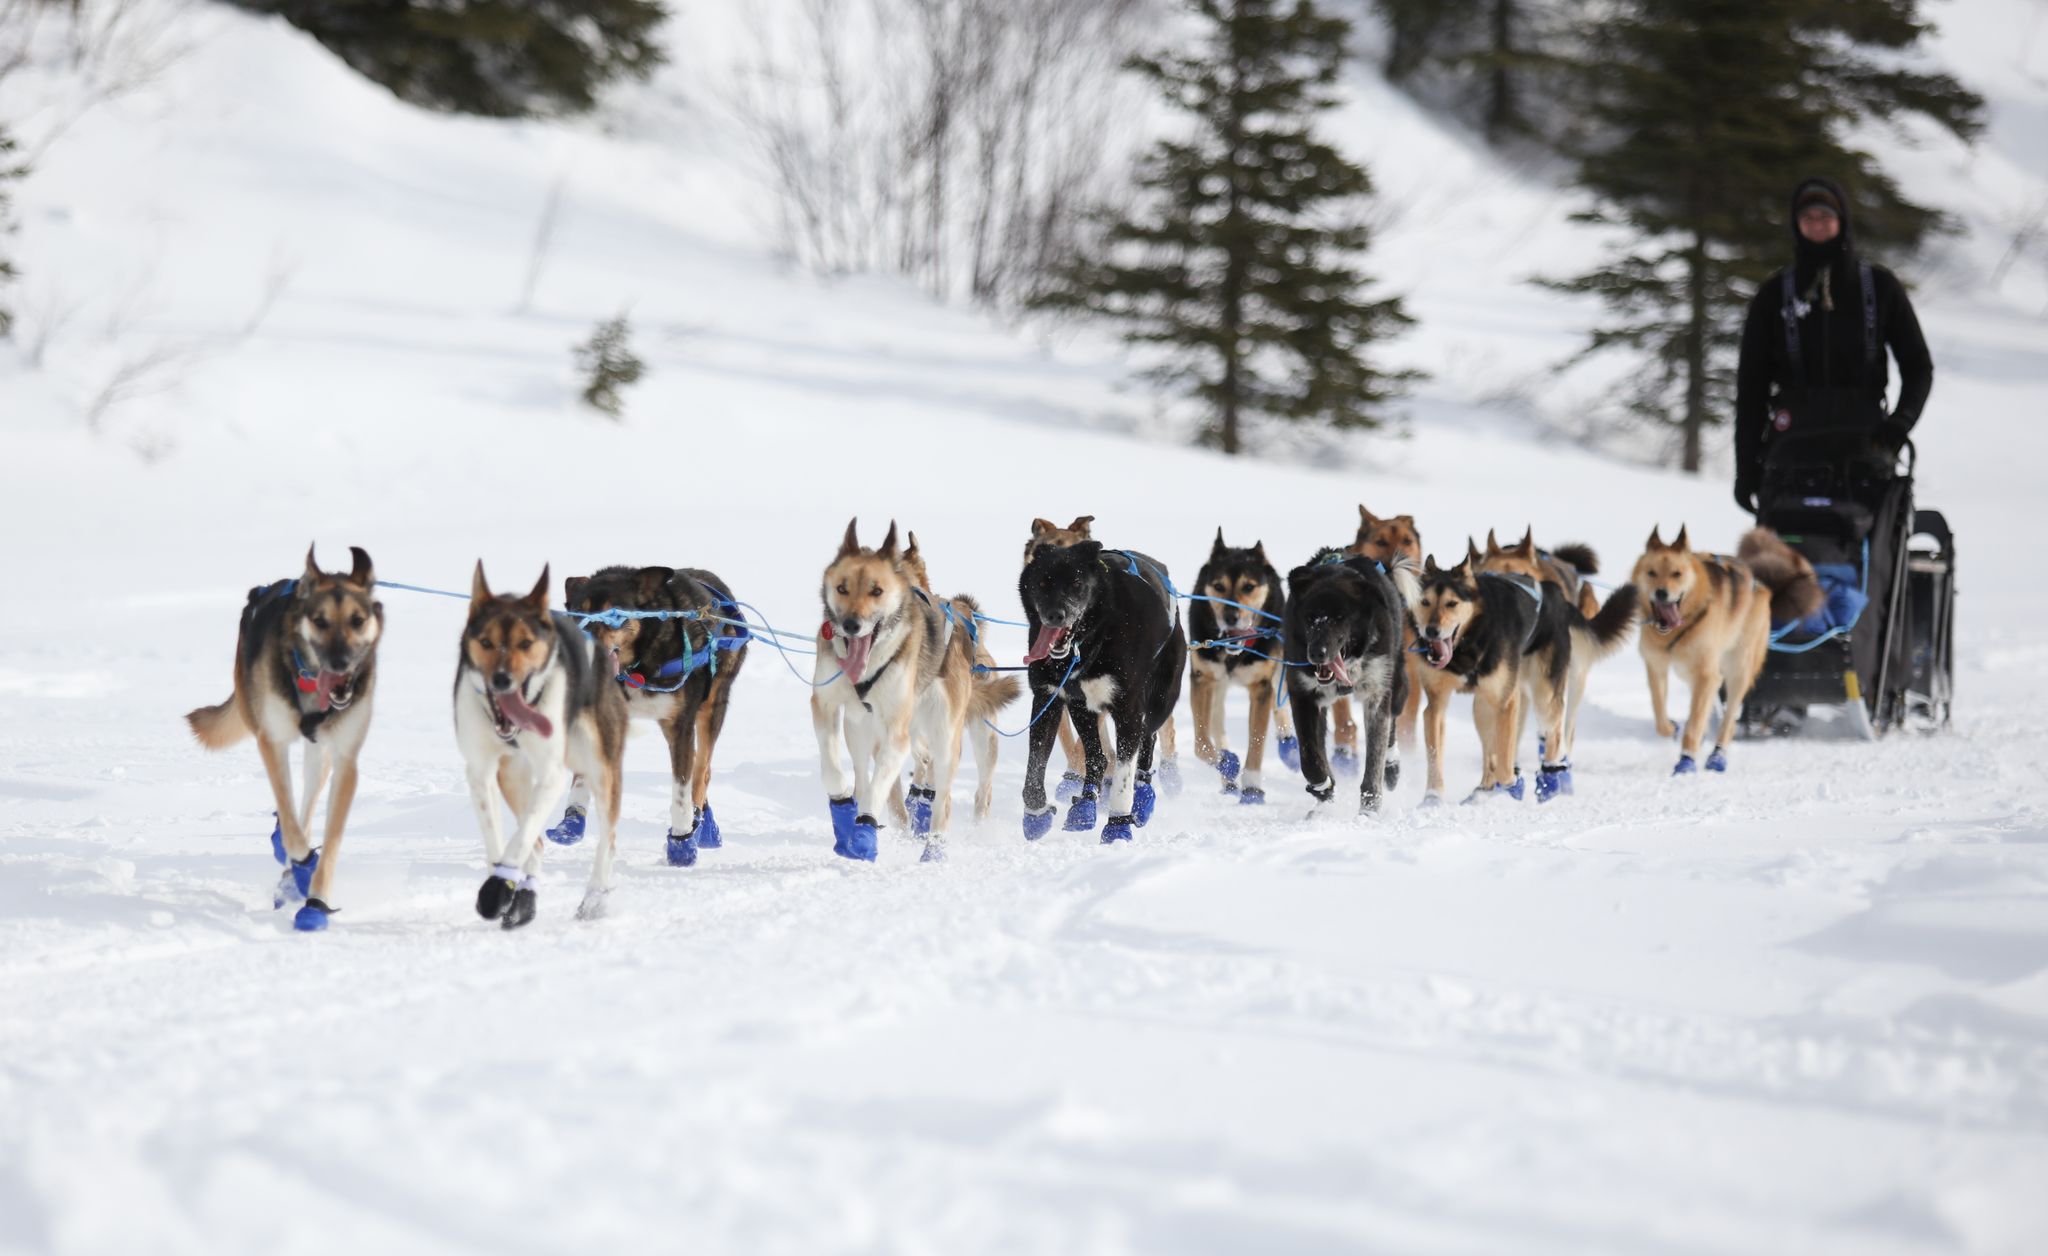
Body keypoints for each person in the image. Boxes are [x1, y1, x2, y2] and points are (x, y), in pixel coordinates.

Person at [1732, 177, 1934, 513]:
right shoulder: (1772, 297)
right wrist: (1745, 467)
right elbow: (1751, 391)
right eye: (1808, 218)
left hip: (1864, 448)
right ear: (1796, 225)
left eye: (1825, 217)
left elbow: (1918, 366)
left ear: (1842, 221)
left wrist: (1900, 423)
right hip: (1790, 451)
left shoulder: (1880, 288)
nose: (1817, 226)